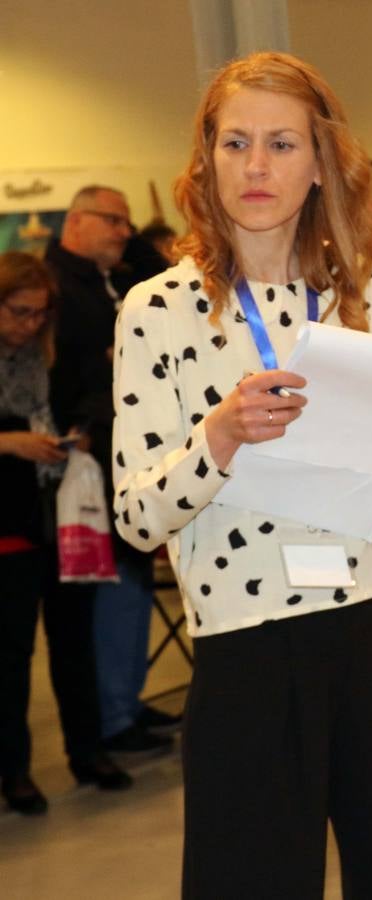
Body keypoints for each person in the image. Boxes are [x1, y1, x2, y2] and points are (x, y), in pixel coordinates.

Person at [110, 52, 372, 898]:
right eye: (234, 143)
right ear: (206, 158)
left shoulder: (363, 288)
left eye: (280, 144)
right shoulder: (156, 308)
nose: (256, 166)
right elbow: (136, 517)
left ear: (320, 162)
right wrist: (218, 438)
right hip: (245, 644)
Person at [46, 186, 176, 757]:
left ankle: (123, 702)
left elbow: (159, 266)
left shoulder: (109, 280)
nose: (125, 232)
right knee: (108, 592)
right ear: (76, 221)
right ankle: (110, 715)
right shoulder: (56, 284)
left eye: (128, 223)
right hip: (81, 466)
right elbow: (67, 372)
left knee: (129, 588)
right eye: (112, 221)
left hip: (118, 456)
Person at [1, 252, 132, 816]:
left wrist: (79, 433)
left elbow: (96, 397)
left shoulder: (51, 354)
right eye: (20, 313)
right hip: (10, 528)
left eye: (39, 315)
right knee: (10, 656)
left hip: (64, 514)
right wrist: (9, 445)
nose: (30, 325)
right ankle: (15, 771)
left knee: (74, 645)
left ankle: (88, 750)